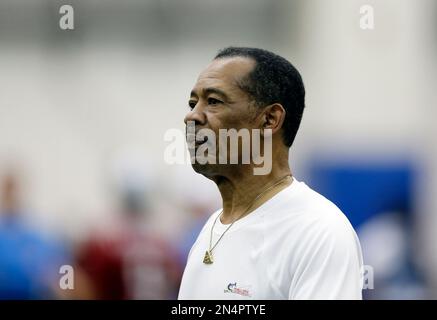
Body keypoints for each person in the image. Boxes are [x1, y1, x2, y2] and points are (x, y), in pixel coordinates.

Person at [178, 47, 363, 300]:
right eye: (192, 103)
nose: (192, 116)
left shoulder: (318, 231)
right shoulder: (209, 231)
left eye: (213, 101)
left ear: (269, 119)